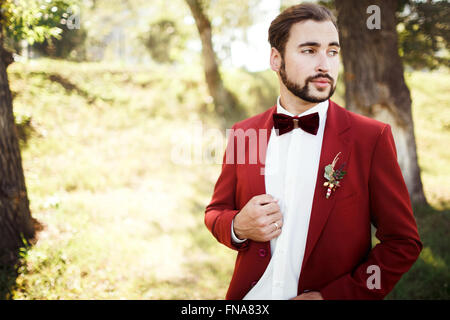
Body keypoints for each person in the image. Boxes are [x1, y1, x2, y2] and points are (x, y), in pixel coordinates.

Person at [204, 2, 422, 300]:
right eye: (309, 50)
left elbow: (403, 243)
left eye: (332, 51)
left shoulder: (370, 138)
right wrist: (237, 226)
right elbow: (215, 212)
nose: (325, 64)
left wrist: (333, 298)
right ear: (276, 59)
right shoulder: (245, 133)